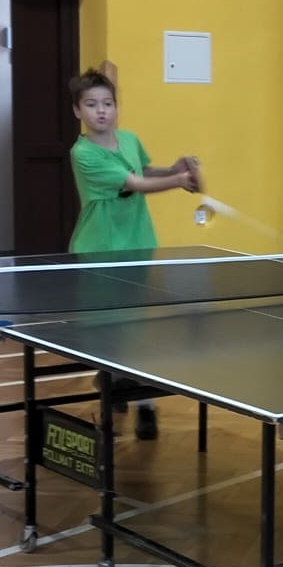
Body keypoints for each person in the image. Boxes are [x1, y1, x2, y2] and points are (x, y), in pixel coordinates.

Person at [67, 67, 200, 439]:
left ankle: (143, 404)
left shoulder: (129, 139)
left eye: (108, 103)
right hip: (98, 252)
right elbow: (136, 183)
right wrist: (179, 181)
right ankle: (112, 388)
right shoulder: (83, 153)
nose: (101, 111)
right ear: (78, 111)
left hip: (138, 245)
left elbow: (144, 170)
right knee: (110, 331)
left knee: (137, 329)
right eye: (91, 104)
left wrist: (172, 168)